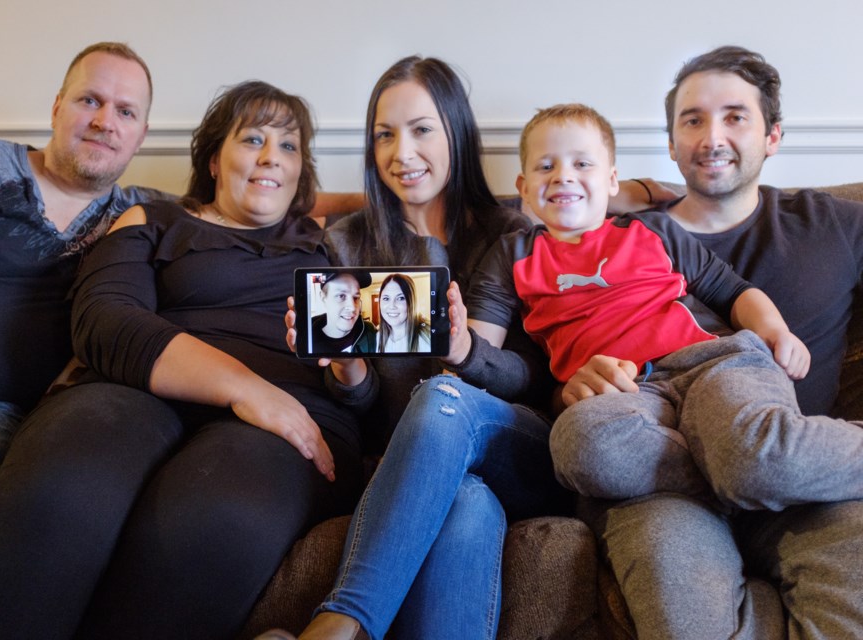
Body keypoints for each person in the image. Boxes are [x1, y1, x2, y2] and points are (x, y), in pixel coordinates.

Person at [0, 81, 372, 640]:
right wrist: (246, 389)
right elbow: (104, 320)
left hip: (292, 420)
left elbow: (364, 395)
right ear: (213, 159)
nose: (270, 158)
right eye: (253, 139)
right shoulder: (150, 218)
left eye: (288, 147)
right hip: (138, 391)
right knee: (70, 476)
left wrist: (351, 373)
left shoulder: (329, 248)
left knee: (219, 511)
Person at [273, 54, 675, 640]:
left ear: (456, 132)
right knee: (464, 505)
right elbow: (357, 408)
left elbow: (533, 379)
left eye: (421, 129)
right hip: (420, 466)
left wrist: (463, 350)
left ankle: (343, 623)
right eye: (384, 135)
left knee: (443, 396)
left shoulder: (518, 234)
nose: (401, 152)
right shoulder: (346, 244)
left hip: (519, 443)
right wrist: (347, 369)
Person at [562, 46, 863, 639]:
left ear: (773, 135)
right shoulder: (617, 240)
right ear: (671, 142)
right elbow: (556, 354)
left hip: (810, 481)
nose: (711, 136)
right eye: (692, 120)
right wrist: (572, 388)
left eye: (735, 117)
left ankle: (760, 461)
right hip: (660, 488)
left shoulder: (837, 223)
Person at [0, 41, 155, 638]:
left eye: (125, 111)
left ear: (142, 134)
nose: (103, 120)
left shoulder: (141, 213)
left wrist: (368, 200)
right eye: (89, 100)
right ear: (56, 107)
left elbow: (253, 205)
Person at [310, 271, 377, 353]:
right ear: (323, 298)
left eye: (356, 297)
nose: (352, 307)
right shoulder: (306, 339)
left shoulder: (369, 332)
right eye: (341, 296)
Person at [375, 273, 430, 353]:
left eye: (400, 298)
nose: (392, 306)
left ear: (411, 302)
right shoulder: (378, 336)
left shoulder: (427, 338)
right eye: (386, 298)